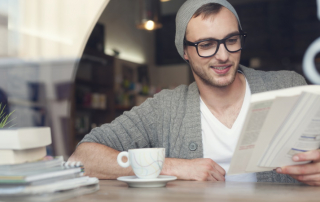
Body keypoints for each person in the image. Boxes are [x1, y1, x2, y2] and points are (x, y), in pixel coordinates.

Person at [69, 0, 320, 186]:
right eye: (206, 45)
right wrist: (174, 166)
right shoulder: (165, 108)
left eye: (231, 40)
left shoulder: (287, 86)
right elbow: (83, 157)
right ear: (185, 52)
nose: (222, 55)